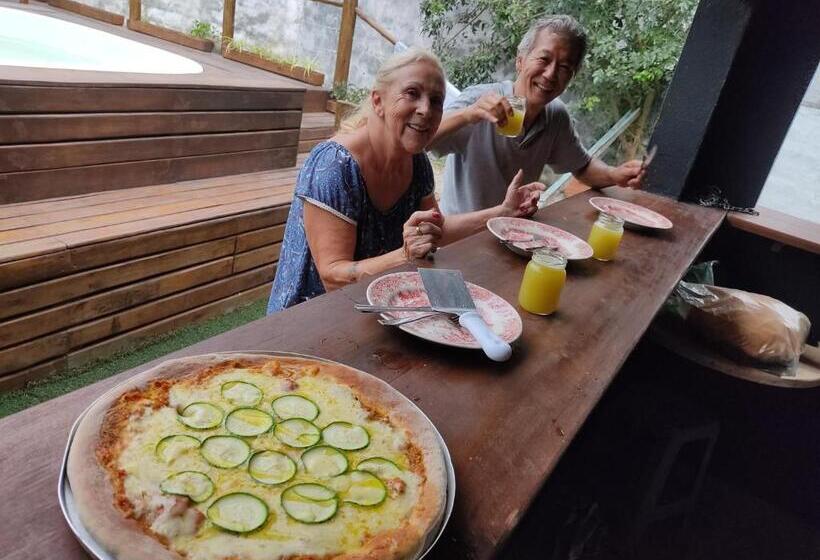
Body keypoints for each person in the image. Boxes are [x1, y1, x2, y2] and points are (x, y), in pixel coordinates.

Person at [267, 48, 546, 313]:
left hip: (374, 306)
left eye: (436, 101)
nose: (425, 109)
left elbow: (436, 229)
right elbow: (332, 276)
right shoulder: (334, 165)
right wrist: (404, 255)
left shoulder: (418, 163)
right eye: (412, 93)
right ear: (378, 101)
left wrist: (503, 212)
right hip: (306, 321)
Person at [429, 15, 645, 215]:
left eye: (564, 67)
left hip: (511, 233)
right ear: (520, 61)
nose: (550, 74)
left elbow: (582, 166)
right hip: (461, 238)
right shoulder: (480, 99)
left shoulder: (555, 116)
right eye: (544, 59)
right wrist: (468, 114)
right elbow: (423, 140)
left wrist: (614, 175)